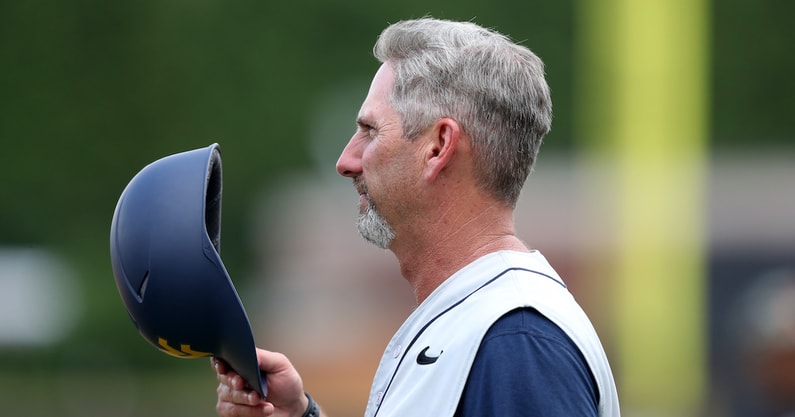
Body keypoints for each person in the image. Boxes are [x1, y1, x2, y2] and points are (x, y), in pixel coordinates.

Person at [213, 17, 620, 417]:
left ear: (438, 146)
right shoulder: (481, 324)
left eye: (370, 131)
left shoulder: (516, 340)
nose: (346, 161)